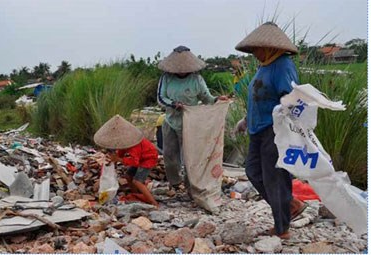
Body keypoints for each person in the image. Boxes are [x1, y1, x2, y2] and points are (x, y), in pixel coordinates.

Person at [234, 22, 307, 239]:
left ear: (269, 47)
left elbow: (291, 99)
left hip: (274, 131)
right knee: (253, 172)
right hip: (257, 130)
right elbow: (258, 98)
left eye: (258, 48)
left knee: (275, 178)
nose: (255, 53)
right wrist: (246, 120)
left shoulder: (283, 65)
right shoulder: (263, 67)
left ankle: (282, 228)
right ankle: (291, 204)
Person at [156, 45, 228, 197]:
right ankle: (175, 183)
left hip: (191, 124)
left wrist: (217, 100)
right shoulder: (166, 78)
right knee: (169, 156)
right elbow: (161, 98)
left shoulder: (197, 80)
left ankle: (191, 186)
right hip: (170, 121)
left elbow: (206, 98)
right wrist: (174, 104)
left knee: (191, 157)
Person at [94, 115, 159, 208]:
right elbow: (120, 154)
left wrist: (118, 159)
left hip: (148, 159)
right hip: (140, 158)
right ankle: (136, 194)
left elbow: (134, 162)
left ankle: (153, 203)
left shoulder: (134, 145)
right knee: (128, 176)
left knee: (138, 181)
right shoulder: (125, 143)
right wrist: (113, 160)